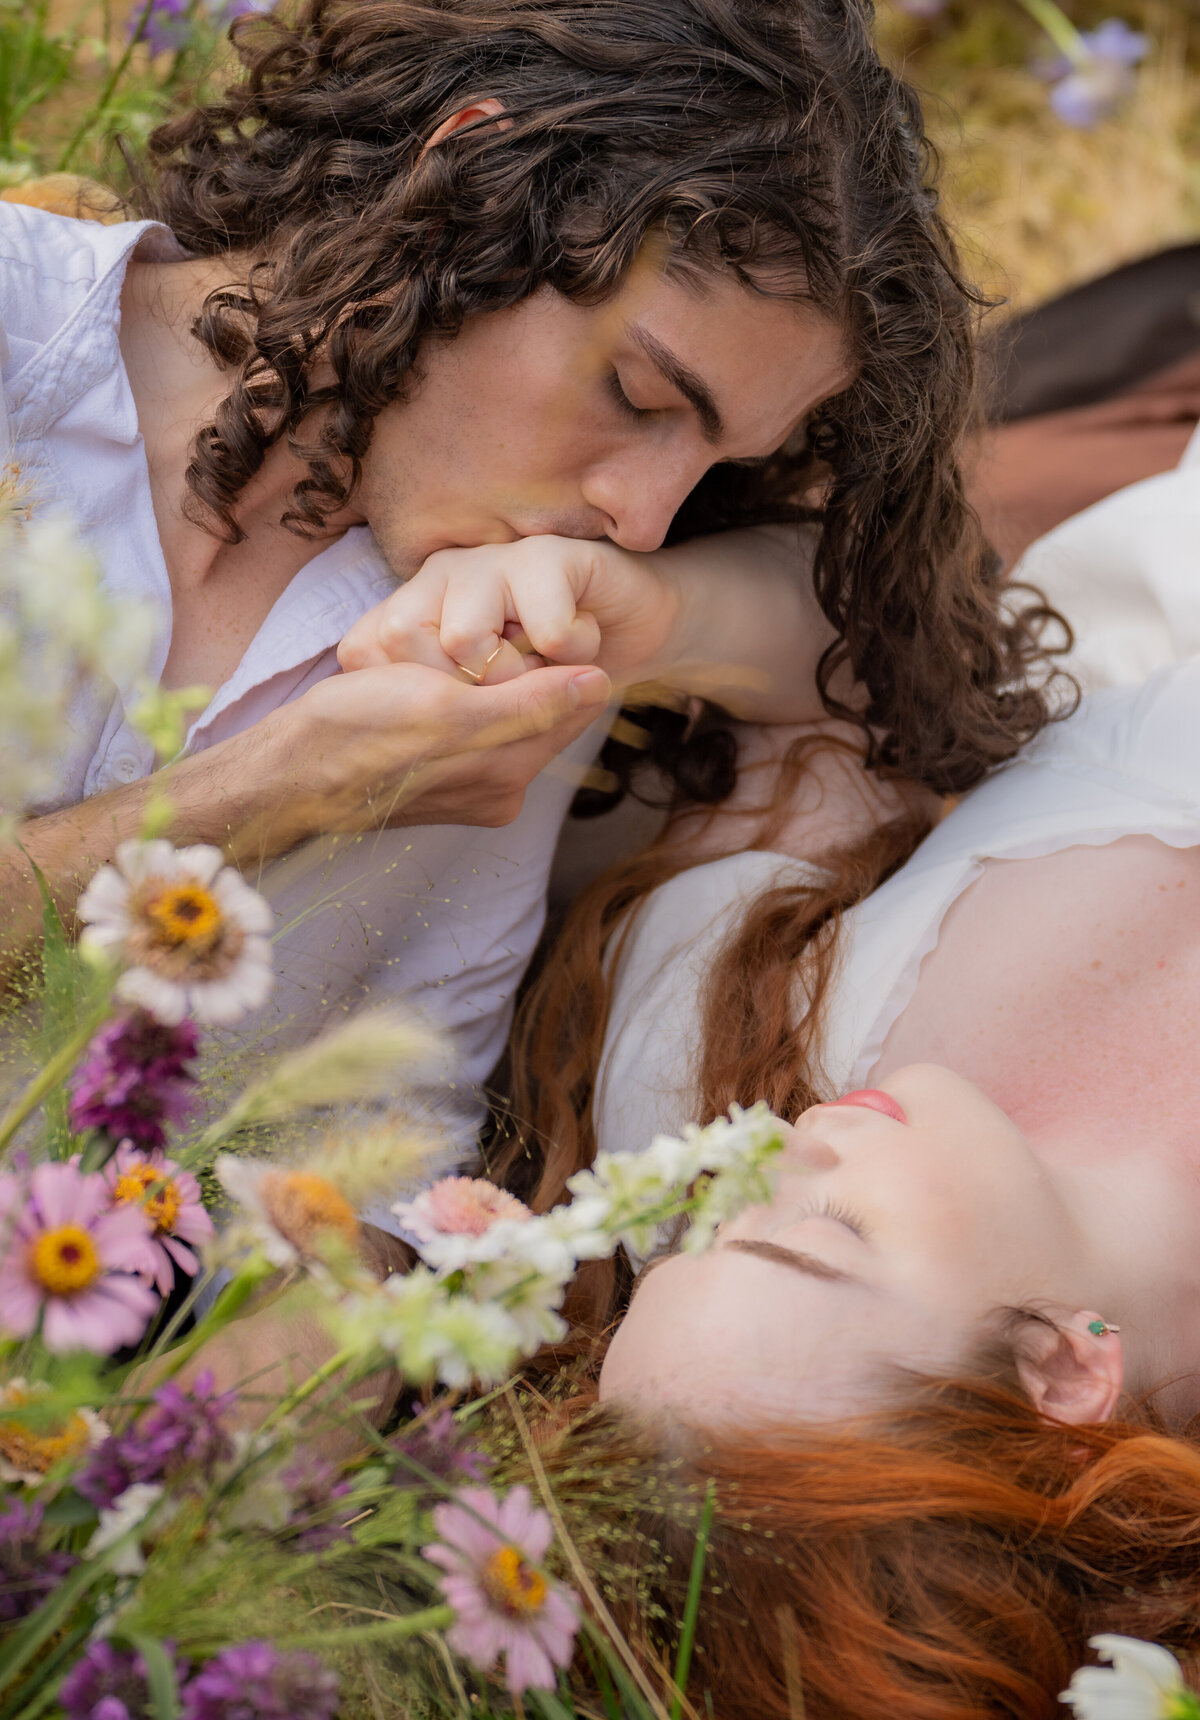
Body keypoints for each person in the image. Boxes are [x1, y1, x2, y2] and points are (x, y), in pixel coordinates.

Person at [0, 0, 1057, 1169]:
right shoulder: (25, 339)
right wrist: (270, 794)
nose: (646, 518)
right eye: (642, 399)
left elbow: (386, 1183)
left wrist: (656, 611)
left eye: (714, 464)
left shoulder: (499, 641)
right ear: (464, 179)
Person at [485, 432, 1200, 1715]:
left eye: (706, 1226)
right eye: (820, 1239)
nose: (788, 1151)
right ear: (1056, 1371)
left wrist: (661, 617)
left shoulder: (729, 1066)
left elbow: (846, 663)